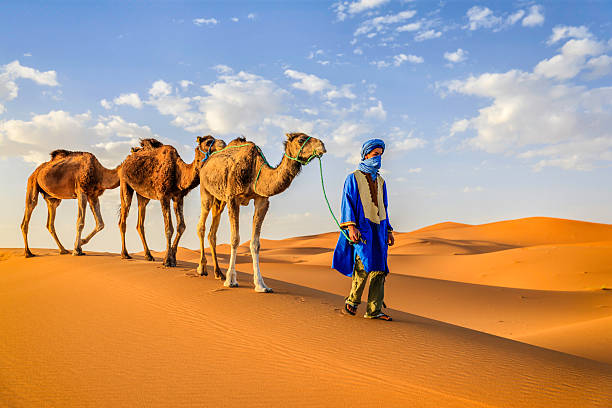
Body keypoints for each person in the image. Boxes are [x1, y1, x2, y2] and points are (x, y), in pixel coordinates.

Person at [332, 139, 394, 321]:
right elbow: (347, 202)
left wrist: (388, 230)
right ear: (366, 155)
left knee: (380, 269)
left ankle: (374, 310)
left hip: (380, 228)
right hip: (362, 227)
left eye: (380, 155)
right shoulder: (353, 177)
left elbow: (385, 206)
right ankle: (352, 301)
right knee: (363, 264)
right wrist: (351, 226)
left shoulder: (381, 181)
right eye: (375, 155)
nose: (378, 159)